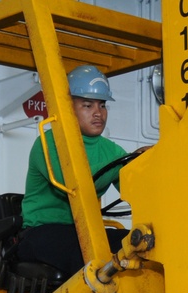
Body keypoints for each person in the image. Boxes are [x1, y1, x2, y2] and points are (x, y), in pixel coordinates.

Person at [16, 64, 130, 276]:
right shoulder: (49, 143)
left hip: (82, 232)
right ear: (69, 108)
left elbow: (137, 187)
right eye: (88, 106)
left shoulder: (112, 150)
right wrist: (118, 162)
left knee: (135, 244)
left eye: (102, 105)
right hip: (41, 232)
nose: (98, 114)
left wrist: (150, 163)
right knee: (86, 254)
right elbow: (72, 183)